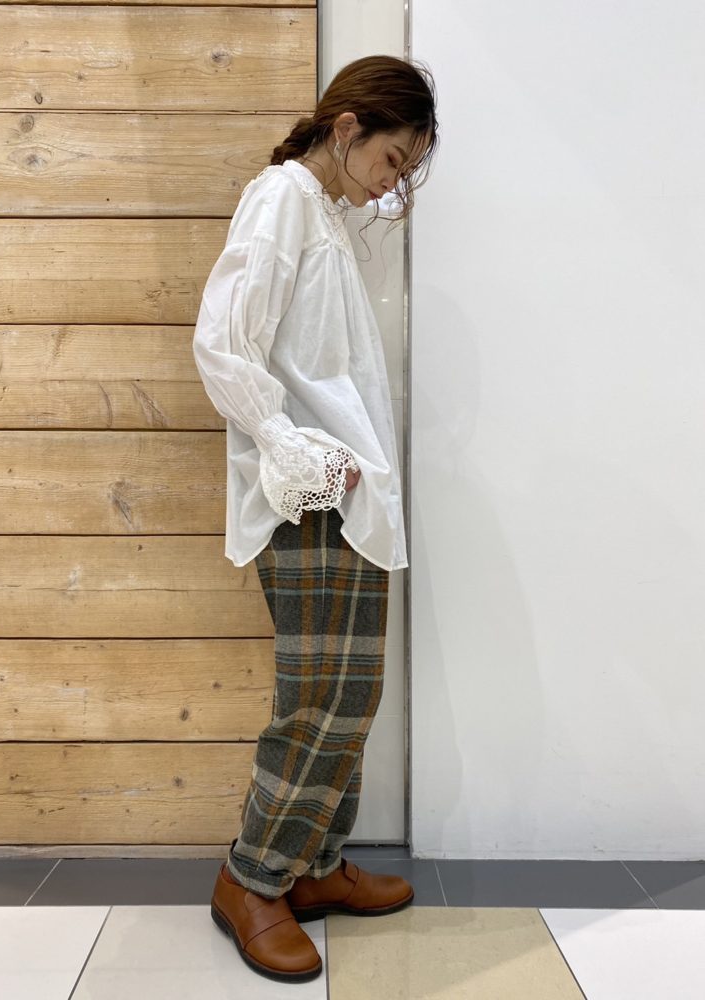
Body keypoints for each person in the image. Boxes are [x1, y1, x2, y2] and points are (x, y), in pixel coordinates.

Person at [192, 54, 439, 984]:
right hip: (310, 493)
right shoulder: (283, 199)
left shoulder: (322, 214)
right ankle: (252, 879)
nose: (393, 182)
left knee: (351, 691)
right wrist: (287, 446)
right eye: (392, 158)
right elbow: (223, 341)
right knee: (320, 697)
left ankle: (314, 865)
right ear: (347, 128)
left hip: (343, 489)